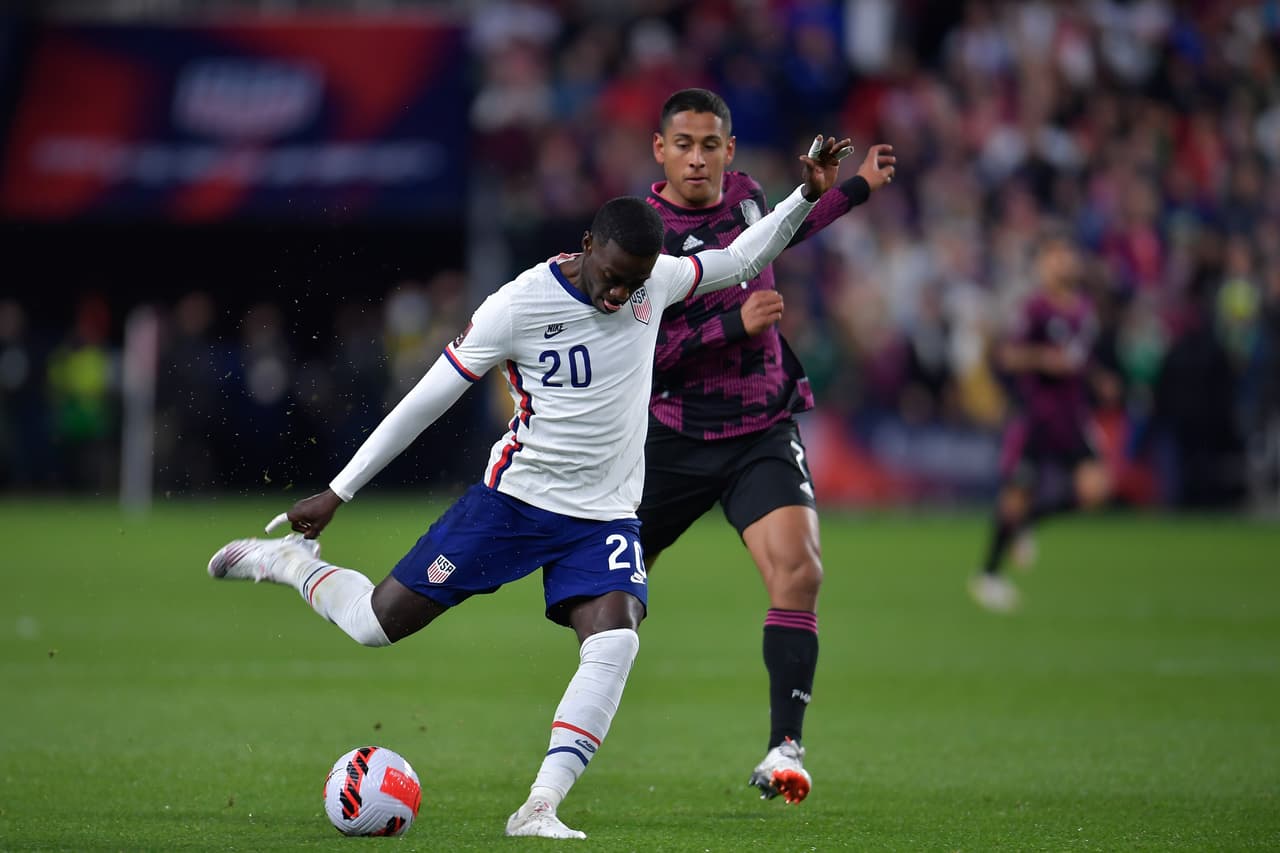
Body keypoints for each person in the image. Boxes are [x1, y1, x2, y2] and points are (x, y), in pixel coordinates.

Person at [206, 132, 851, 840]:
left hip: (603, 515)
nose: (620, 293)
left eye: (634, 282)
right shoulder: (518, 305)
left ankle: (539, 804)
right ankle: (291, 565)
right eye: (612, 275)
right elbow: (427, 399)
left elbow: (742, 257)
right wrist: (339, 490)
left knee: (616, 639)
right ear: (586, 244)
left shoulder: (655, 281)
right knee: (373, 625)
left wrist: (806, 195)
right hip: (513, 502)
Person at [638, 88, 896, 804]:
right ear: (660, 150)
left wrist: (855, 191)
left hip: (760, 425)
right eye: (683, 144)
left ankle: (785, 747)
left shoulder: (750, 196)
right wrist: (732, 327)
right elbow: (639, 358)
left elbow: (792, 227)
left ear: (729, 150)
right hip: (673, 436)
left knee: (800, 571)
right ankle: (576, 736)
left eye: (710, 144)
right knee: (606, 597)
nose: (697, 157)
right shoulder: (641, 237)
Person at [969, 234, 1112, 612]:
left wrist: (1099, 379)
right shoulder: (1033, 309)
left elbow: (1081, 358)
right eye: (1054, 257)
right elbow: (1007, 356)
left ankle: (1029, 524)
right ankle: (988, 575)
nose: (1062, 263)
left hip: (1072, 416)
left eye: (1066, 254)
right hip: (1036, 416)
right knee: (1014, 498)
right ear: (1042, 265)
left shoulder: (1083, 310)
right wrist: (1043, 359)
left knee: (1095, 489)